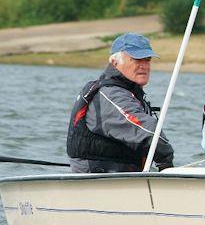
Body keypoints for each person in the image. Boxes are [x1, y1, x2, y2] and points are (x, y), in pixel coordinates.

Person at [67, 32, 174, 173]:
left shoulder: (128, 93)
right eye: (137, 59)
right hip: (99, 182)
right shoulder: (111, 94)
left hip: (121, 176)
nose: (144, 65)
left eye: (147, 60)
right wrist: (166, 164)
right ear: (115, 62)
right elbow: (149, 133)